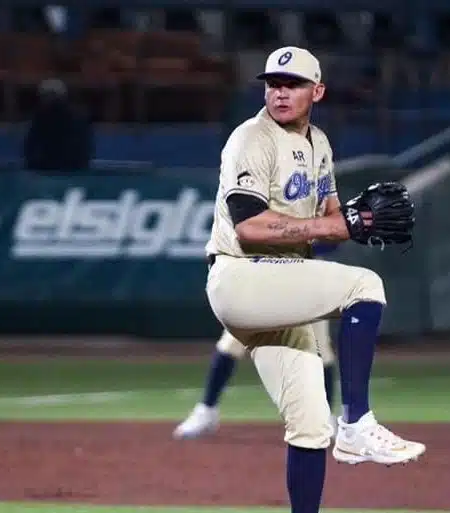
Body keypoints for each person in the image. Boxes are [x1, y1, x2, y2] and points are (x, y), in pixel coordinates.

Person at [202, 46, 424, 513]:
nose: (280, 92)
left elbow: (329, 222)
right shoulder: (251, 140)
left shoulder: (319, 144)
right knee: (365, 286)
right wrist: (333, 226)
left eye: (293, 84)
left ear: (316, 91)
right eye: (272, 83)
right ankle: (358, 422)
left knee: (309, 425)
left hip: (285, 285)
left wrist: (355, 222)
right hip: (242, 277)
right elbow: (248, 225)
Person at [173, 318, 338, 440]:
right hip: (263, 282)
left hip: (304, 282)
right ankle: (206, 411)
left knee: (318, 347)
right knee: (232, 341)